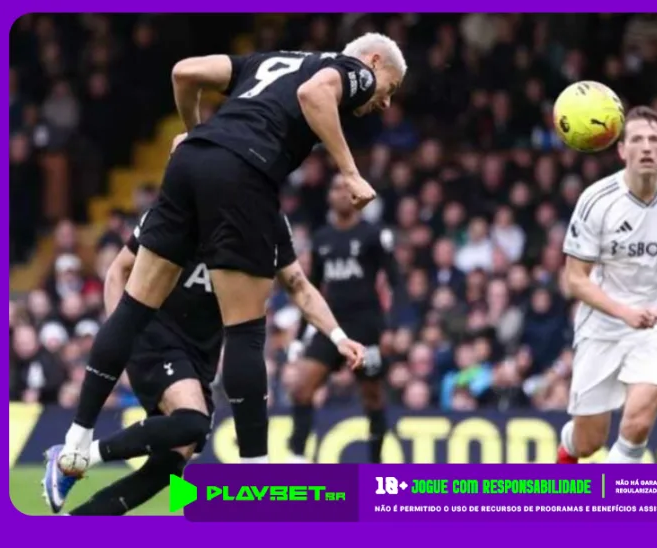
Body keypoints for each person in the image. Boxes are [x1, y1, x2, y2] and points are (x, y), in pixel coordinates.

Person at [54, 33, 407, 475]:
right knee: (245, 332)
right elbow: (314, 93)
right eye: (389, 88)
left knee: (133, 311)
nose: (385, 101)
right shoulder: (355, 70)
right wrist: (351, 173)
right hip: (245, 174)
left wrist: (192, 130)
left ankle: (77, 439)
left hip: (191, 163)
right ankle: (255, 473)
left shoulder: (268, 60)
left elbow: (184, 72)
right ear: (374, 62)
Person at [42, 213, 365, 514]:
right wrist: (119, 340)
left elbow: (299, 286)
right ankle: (76, 458)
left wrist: (338, 336)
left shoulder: (269, 219)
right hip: (155, 332)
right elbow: (118, 271)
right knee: (194, 422)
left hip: (201, 354)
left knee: (168, 465)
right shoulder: (183, 200)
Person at [556, 106, 657, 464]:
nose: (646, 147)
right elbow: (575, 279)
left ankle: (611, 511)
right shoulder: (597, 201)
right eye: (637, 139)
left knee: (637, 422)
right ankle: (568, 449)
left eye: (654, 140)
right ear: (621, 150)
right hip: (604, 324)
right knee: (589, 440)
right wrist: (625, 313)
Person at [285, 175, 400, 463]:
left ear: (356, 197)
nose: (341, 193)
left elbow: (394, 281)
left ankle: (376, 463)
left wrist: (390, 327)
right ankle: (298, 459)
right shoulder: (322, 238)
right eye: (336, 188)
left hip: (366, 327)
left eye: (347, 188)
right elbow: (310, 289)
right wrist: (301, 336)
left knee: (372, 396)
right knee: (301, 389)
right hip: (332, 327)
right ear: (329, 196)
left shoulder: (373, 235)